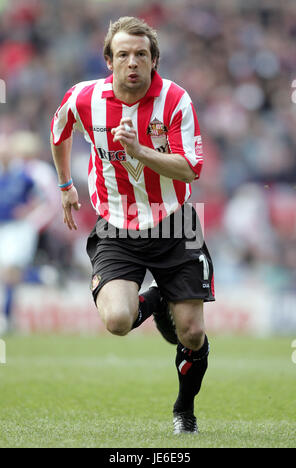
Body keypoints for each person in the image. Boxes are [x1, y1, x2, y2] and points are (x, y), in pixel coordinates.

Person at [50, 16, 215, 435]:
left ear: (154, 59)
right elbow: (58, 131)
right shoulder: (85, 98)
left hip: (175, 224)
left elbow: (191, 169)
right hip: (116, 227)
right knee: (118, 321)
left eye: (141, 54)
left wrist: (139, 150)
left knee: (192, 333)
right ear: (109, 60)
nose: (132, 62)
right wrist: (66, 184)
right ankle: (158, 301)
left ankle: (184, 409)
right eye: (123, 54)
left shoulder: (176, 101)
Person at [0, 134, 40, 334]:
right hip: (2, 227)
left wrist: (27, 209)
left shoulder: (22, 175)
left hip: (16, 230)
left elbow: (39, 197)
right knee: (9, 274)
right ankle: (8, 316)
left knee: (9, 271)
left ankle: (6, 317)